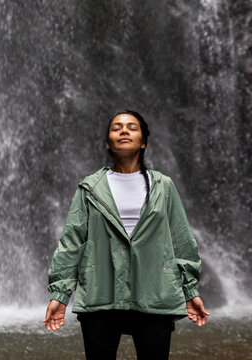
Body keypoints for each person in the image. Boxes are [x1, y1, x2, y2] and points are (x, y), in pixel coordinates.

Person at [44, 110, 209, 360]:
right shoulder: (90, 187)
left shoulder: (163, 186)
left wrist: (190, 290)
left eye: (132, 127)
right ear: (108, 143)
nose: (123, 130)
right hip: (100, 293)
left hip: (154, 292)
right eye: (116, 127)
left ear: (143, 141)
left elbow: (181, 239)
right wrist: (60, 294)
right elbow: (72, 242)